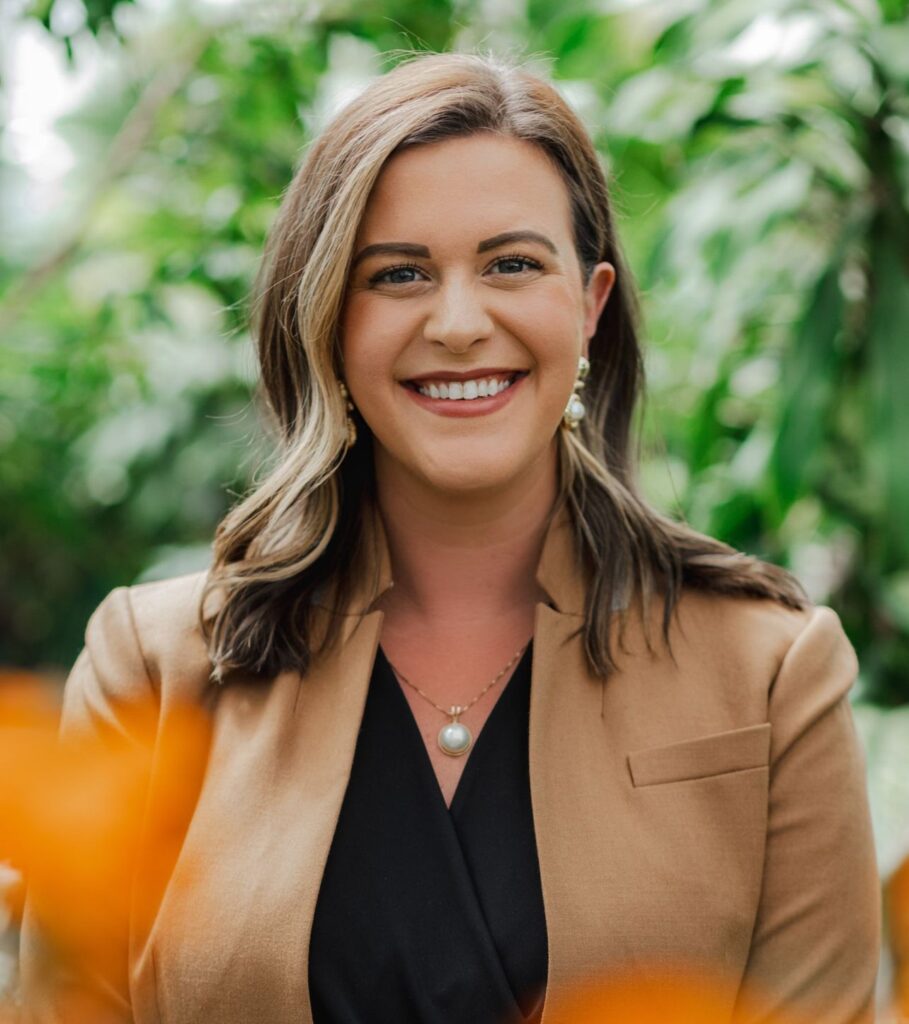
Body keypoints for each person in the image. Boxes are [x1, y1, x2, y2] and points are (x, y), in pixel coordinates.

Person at [19, 51, 880, 1024]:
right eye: (398, 275)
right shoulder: (156, 666)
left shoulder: (772, 673)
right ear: (329, 320)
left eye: (513, 263)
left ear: (590, 306)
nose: (460, 322)